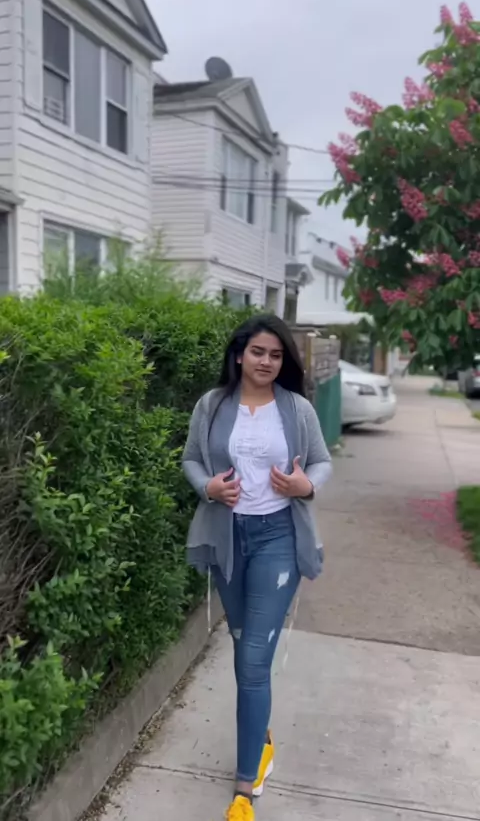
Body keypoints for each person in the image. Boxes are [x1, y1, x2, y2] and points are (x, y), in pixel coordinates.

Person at [182, 314, 332, 821]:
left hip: (277, 539)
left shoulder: (296, 409)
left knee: (251, 663)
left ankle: (244, 787)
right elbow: (191, 460)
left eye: (276, 355)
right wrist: (208, 487)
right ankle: (260, 740)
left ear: (283, 361)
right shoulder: (211, 405)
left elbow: (321, 462)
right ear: (240, 355)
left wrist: (305, 486)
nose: (267, 361)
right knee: (244, 643)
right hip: (229, 539)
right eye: (258, 352)